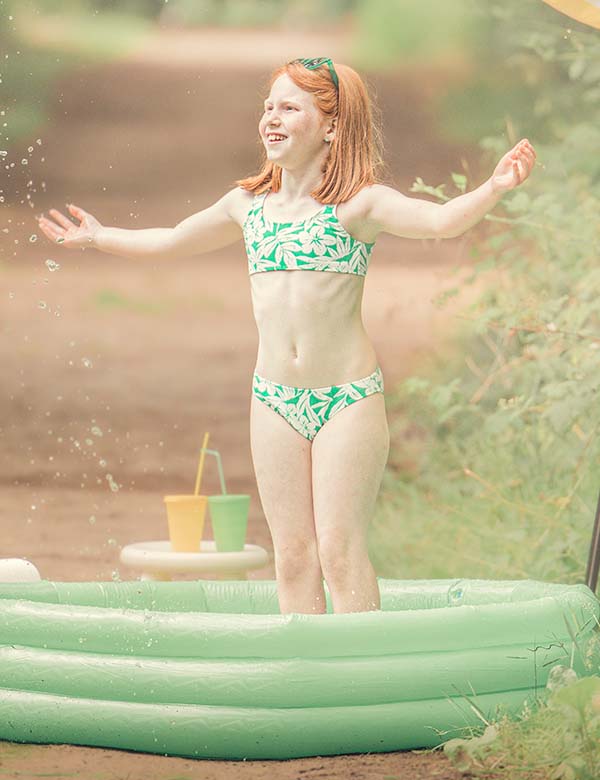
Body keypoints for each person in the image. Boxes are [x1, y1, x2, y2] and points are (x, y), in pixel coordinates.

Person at [36, 57, 536, 616]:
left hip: (347, 399)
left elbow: (441, 221)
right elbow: (173, 239)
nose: (271, 117)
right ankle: (309, 685)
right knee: (293, 557)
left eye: (289, 107)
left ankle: (361, 685)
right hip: (273, 398)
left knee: (340, 553)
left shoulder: (358, 205)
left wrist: (494, 186)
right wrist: (101, 236)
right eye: (268, 106)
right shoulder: (247, 207)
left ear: (331, 126)